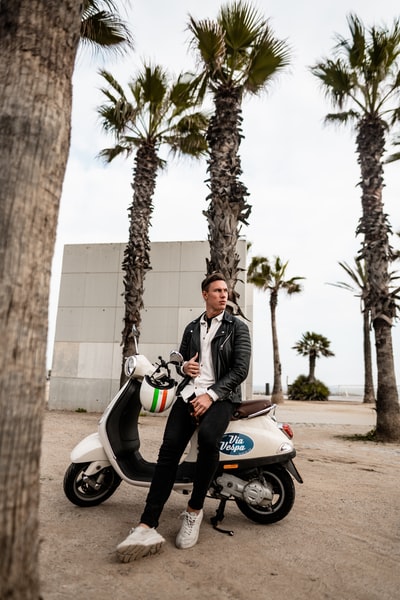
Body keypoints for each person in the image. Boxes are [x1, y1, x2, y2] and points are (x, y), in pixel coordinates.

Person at [116, 272, 251, 562]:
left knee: (208, 439)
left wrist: (211, 395)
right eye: (217, 290)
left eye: (225, 290)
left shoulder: (237, 328)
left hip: (221, 398)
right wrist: (186, 369)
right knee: (168, 451)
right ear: (205, 294)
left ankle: (194, 510)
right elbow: (185, 364)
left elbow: (240, 370)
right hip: (189, 394)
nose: (224, 295)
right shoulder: (192, 328)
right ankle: (146, 524)